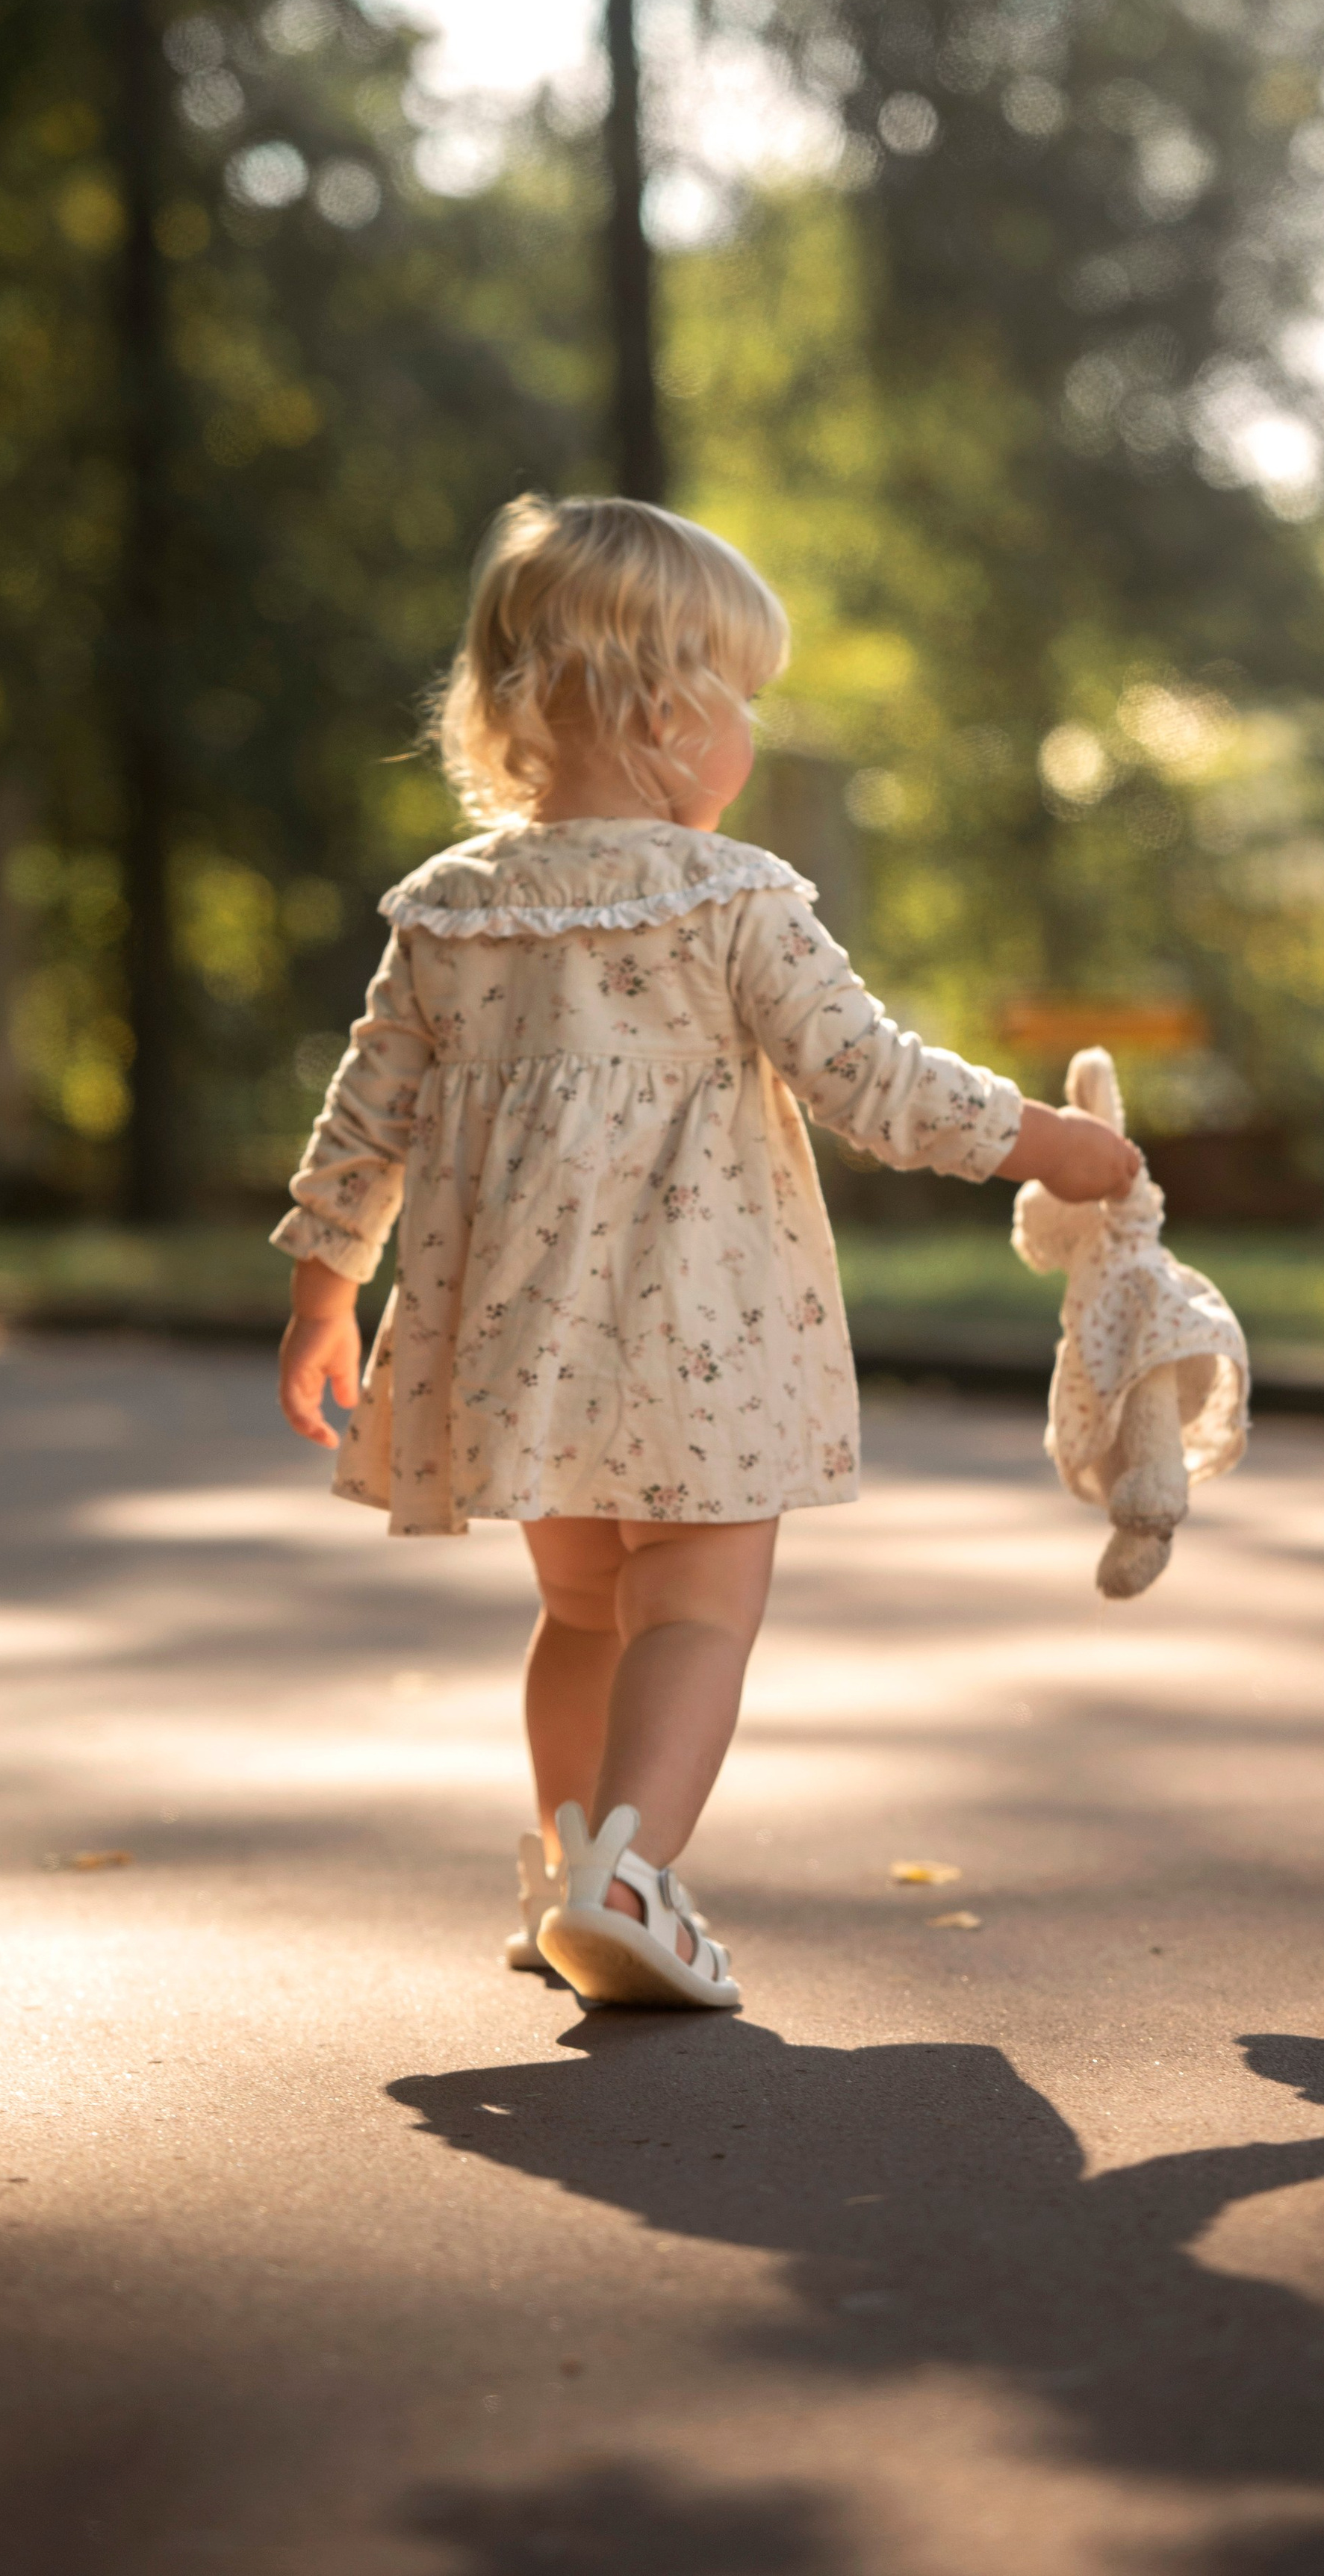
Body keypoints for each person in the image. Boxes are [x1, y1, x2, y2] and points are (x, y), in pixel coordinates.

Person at [273, 494, 1138, 2012]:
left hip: (516, 1347)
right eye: (745, 700)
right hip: (701, 1339)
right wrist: (1047, 1142)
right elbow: (877, 1083)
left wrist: (325, 1289)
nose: (749, 731)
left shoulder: (450, 910)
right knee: (693, 1607)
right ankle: (626, 1880)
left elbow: (367, 1115)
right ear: (668, 715)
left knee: (582, 1610)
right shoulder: (734, 901)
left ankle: (563, 1867)